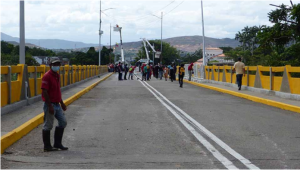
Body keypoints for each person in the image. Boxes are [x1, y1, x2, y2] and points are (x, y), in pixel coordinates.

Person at [41, 57, 68, 152]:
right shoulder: (47, 76)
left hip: (57, 104)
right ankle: (47, 146)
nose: (56, 66)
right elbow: (44, 91)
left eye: (58, 64)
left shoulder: (57, 75)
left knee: (63, 122)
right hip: (50, 104)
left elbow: (57, 91)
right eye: (54, 64)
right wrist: (50, 106)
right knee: (48, 125)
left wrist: (62, 103)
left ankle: (57, 143)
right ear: (50, 65)